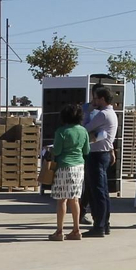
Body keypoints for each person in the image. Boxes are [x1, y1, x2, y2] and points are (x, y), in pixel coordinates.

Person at [49, 103, 88, 241]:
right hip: (79, 167)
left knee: (62, 200)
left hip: (64, 166)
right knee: (75, 199)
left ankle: (59, 231)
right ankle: (76, 230)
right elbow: (86, 150)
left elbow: (57, 150)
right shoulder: (83, 131)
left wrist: (50, 150)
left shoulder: (61, 131)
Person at [82, 88, 117, 237]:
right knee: (101, 191)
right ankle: (104, 224)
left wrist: (87, 113)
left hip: (97, 155)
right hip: (103, 154)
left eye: (95, 98)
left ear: (102, 99)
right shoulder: (110, 113)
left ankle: (99, 226)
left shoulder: (102, 114)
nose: (93, 101)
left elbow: (84, 129)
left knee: (98, 192)